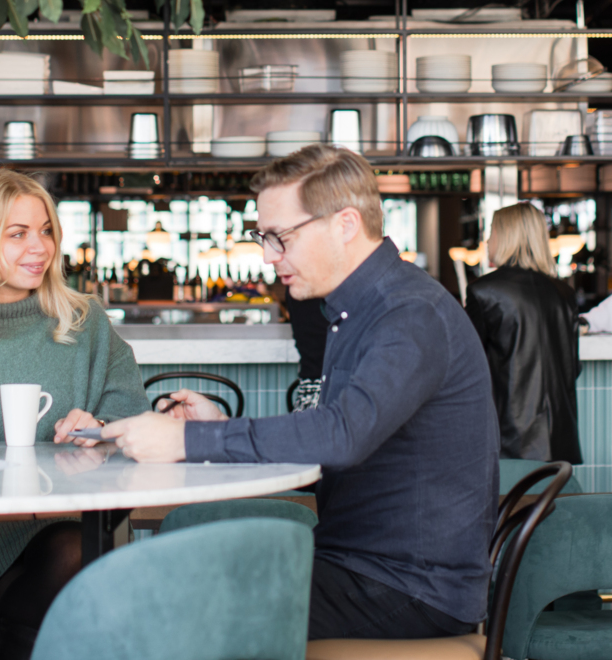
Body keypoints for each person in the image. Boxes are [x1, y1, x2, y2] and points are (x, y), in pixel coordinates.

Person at [103, 144, 499, 642]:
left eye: (280, 237)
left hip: (411, 588)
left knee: (170, 599)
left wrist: (185, 442)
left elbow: (342, 436)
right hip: (363, 566)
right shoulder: (360, 309)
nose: (269, 257)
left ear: (346, 224)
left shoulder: (409, 314)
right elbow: (334, 441)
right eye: (262, 237)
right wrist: (214, 430)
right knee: (169, 577)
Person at [0, 169, 148, 660]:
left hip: (66, 530)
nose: (39, 247)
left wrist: (101, 430)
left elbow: (135, 419)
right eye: (17, 234)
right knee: (74, 567)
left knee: (72, 554)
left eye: (45, 230)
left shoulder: (86, 323)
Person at [465, 203, 581, 463]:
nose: (487, 239)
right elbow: (573, 367)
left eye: (492, 231)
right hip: (561, 440)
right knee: (551, 504)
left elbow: (467, 368)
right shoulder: (564, 294)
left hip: (509, 442)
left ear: (506, 236)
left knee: (511, 505)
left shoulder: (483, 291)